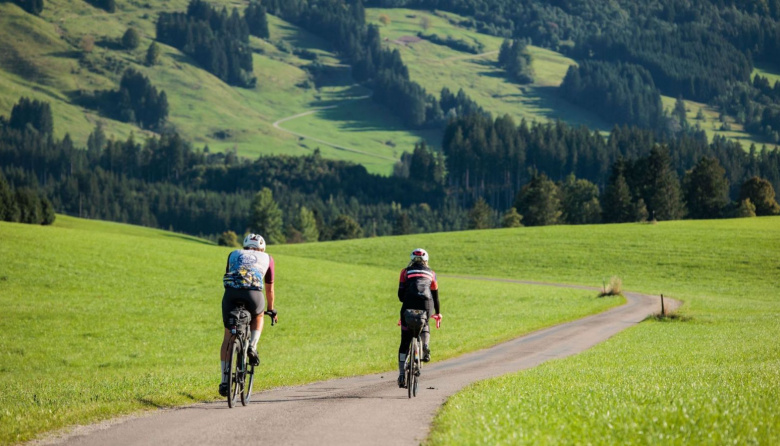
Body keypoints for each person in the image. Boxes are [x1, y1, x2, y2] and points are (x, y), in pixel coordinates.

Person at [219, 233, 278, 397]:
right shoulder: (268, 258)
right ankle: (252, 345)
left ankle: (224, 382)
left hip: (231, 294)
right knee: (258, 315)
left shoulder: (233, 254)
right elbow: (269, 289)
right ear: (262, 248)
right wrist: (271, 309)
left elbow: (229, 274)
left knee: (226, 338)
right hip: (253, 295)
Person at [396, 248, 442, 388]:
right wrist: (438, 313)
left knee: (405, 340)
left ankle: (402, 374)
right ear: (426, 261)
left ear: (412, 259)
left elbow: (400, 296)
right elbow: (435, 296)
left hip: (408, 304)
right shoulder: (432, 274)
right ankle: (425, 345)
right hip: (426, 304)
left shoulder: (405, 272)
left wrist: (409, 297)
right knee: (425, 323)